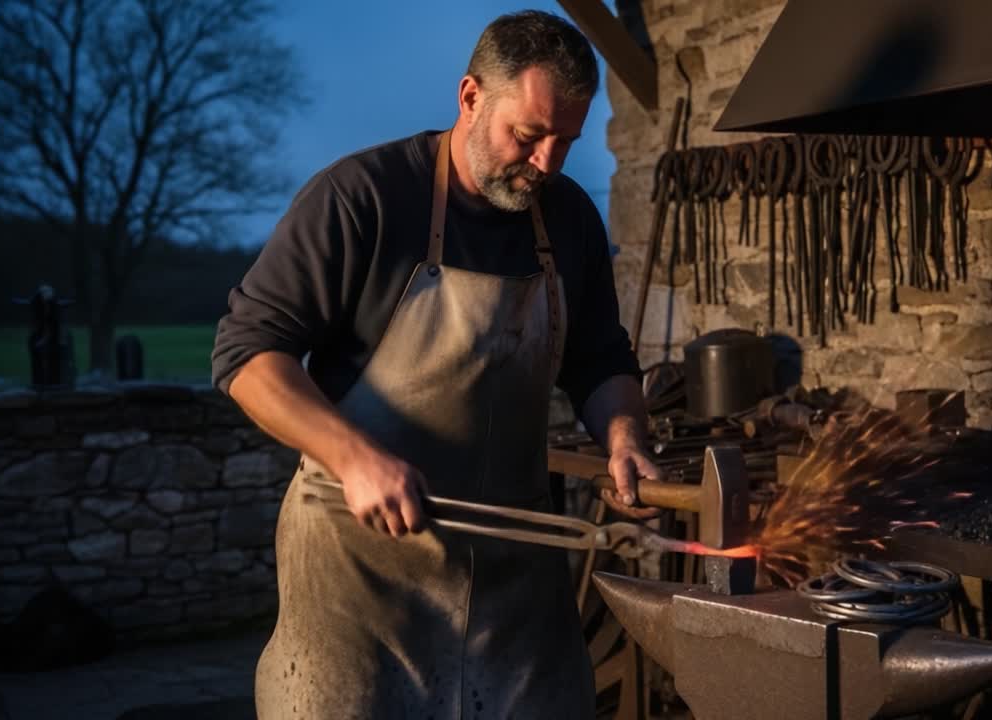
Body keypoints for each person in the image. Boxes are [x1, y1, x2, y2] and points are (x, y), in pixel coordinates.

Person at [210, 10, 660, 718]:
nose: (547, 164)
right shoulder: (362, 198)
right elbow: (247, 355)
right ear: (471, 96)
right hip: (362, 593)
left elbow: (600, 358)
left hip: (516, 592)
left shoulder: (568, 218)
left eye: (566, 143)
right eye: (528, 135)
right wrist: (353, 457)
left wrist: (625, 432)